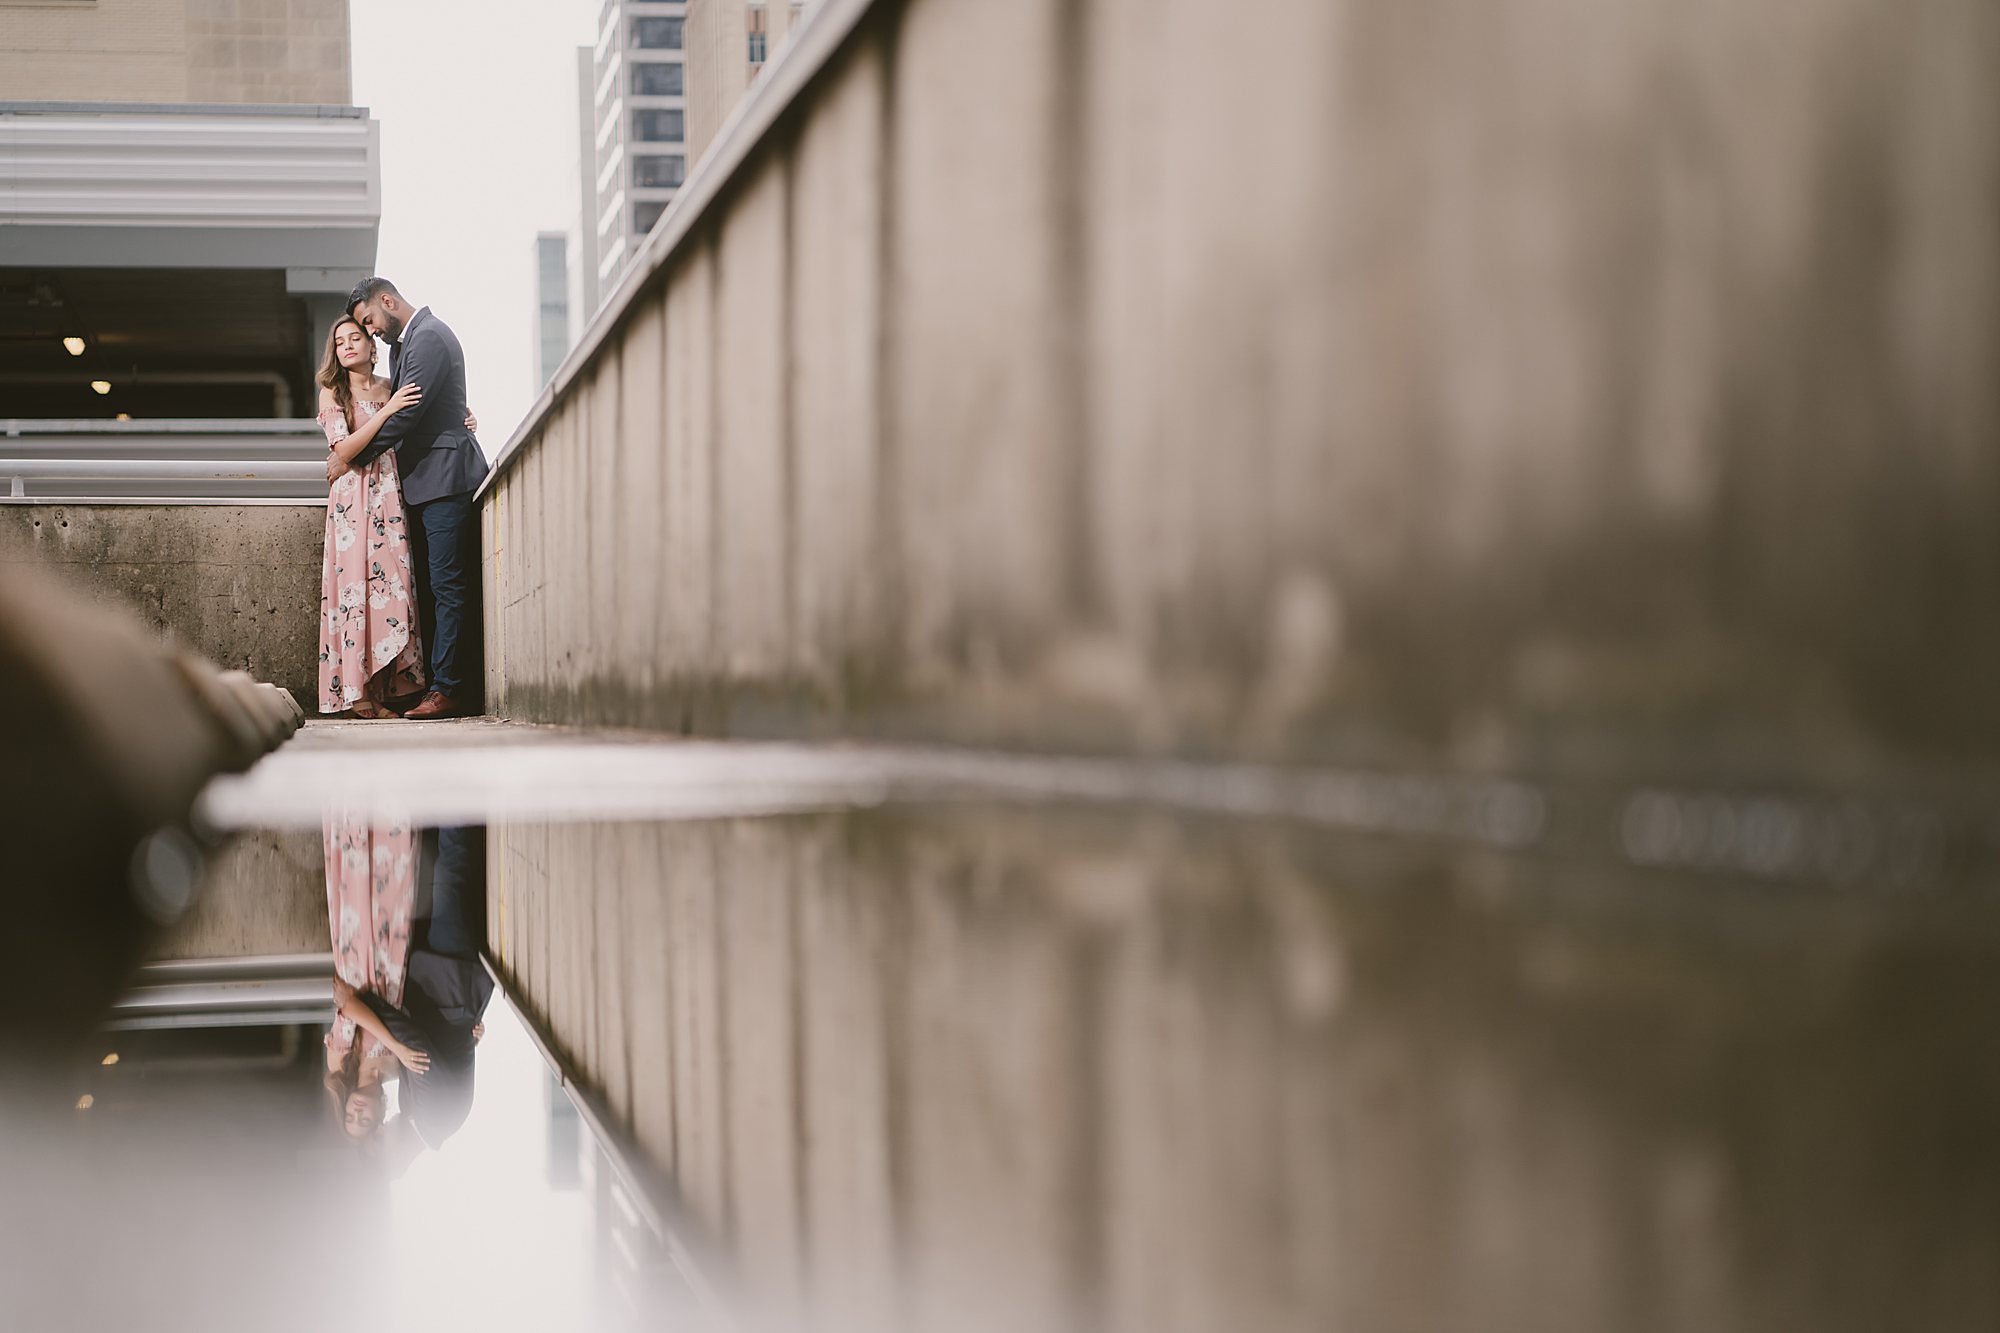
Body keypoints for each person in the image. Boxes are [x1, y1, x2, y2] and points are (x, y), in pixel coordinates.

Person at [338, 277, 491, 721]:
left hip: (446, 478)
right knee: (430, 589)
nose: (371, 332)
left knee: (448, 588)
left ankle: (450, 690)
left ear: (387, 300)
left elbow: (407, 414)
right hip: (424, 482)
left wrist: (353, 456)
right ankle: (437, 685)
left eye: (369, 321)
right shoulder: (407, 346)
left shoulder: (427, 337)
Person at [332, 826, 493, 1152]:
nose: (379, 1131)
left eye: (355, 1118)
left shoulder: (414, 1110)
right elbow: (419, 1049)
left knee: (433, 867)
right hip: (449, 981)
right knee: (451, 871)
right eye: (371, 1127)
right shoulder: (434, 1119)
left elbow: (444, 1054)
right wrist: (366, 1006)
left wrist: (468, 1036)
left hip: (429, 978)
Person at [314, 316, 427, 719]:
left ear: (370, 343)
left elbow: (420, 418)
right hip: (350, 501)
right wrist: (386, 412)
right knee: (354, 592)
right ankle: (359, 695)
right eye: (339, 340)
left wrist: (466, 417)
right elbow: (343, 451)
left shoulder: (390, 386)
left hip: (388, 496)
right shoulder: (332, 391)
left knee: (390, 584)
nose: (347, 345)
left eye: (355, 337)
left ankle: (385, 687)